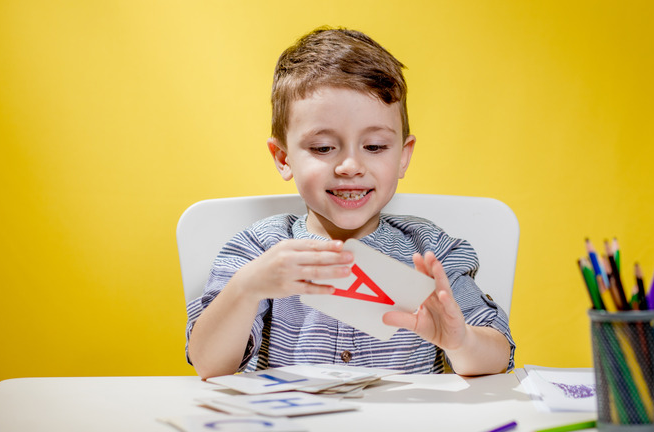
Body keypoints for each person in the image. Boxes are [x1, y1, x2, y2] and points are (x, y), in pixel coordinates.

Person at [186, 27, 515, 379]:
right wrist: (247, 287)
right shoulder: (258, 250)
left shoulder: (431, 251)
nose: (350, 167)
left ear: (403, 157)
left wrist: (461, 341)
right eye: (324, 148)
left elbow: (498, 354)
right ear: (283, 158)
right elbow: (208, 364)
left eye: (374, 147)